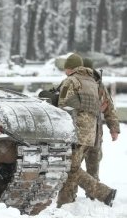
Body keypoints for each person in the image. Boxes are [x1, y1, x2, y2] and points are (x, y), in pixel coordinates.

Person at [56, 53, 116, 208]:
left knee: (71, 167)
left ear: (70, 68)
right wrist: (113, 128)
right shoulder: (93, 83)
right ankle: (65, 203)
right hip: (91, 134)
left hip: (76, 133)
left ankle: (103, 193)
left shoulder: (72, 81)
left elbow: (64, 106)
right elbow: (106, 107)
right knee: (73, 168)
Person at [80, 58, 120, 197]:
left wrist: (114, 128)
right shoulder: (73, 84)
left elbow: (109, 108)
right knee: (73, 168)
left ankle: (93, 195)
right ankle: (68, 196)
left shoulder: (99, 86)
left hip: (96, 135)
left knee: (94, 165)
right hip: (78, 136)